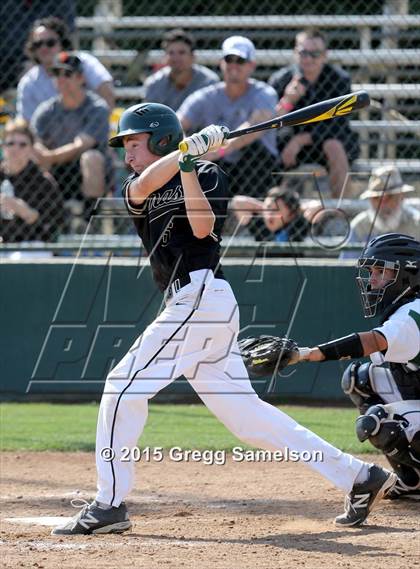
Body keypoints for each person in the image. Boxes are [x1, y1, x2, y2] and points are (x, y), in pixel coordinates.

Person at [51, 102, 396, 536]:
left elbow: (201, 229)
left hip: (202, 299)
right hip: (191, 306)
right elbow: (142, 186)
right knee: (247, 417)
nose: (128, 155)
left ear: (158, 140)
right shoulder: (138, 187)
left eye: (135, 144)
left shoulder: (209, 175)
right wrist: (184, 153)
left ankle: (109, 504)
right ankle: (358, 477)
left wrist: (192, 165)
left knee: (121, 388)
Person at [269, 234, 420, 500]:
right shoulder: (405, 310)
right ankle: (413, 481)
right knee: (360, 379)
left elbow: (372, 342)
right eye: (372, 271)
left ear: (409, 275)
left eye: (381, 271)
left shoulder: (413, 312)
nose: (373, 279)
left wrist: (306, 354)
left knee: (381, 423)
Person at [178, 35, 278, 198]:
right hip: (218, 163)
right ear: (221, 63)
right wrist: (188, 149)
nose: (233, 65)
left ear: (251, 65)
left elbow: (255, 128)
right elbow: (178, 123)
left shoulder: (265, 93)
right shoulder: (207, 95)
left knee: (254, 151)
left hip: (255, 169)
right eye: (229, 59)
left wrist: (218, 150)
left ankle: (252, 215)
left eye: (240, 60)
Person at [268, 28, 359, 198]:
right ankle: (276, 210)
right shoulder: (281, 79)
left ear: (325, 55)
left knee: (334, 146)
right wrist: (288, 100)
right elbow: (269, 122)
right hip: (288, 145)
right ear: (296, 53)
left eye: (315, 54)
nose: (308, 59)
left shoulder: (339, 80)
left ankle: (341, 212)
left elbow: (337, 125)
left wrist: (300, 140)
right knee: (265, 150)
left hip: (327, 140)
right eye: (303, 53)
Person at [31, 52, 114, 217]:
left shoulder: (97, 107)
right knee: (34, 157)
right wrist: (44, 155)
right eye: (56, 74)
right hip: (57, 170)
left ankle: (89, 220)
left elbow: (81, 145)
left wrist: (50, 156)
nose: (61, 79)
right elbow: (34, 141)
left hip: (86, 172)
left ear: (81, 78)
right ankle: (46, 217)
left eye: (68, 74)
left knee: (91, 157)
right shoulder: (46, 111)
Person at [17, 16, 114, 121]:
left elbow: (107, 91)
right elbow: (26, 122)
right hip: (49, 134)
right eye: (38, 44)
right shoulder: (29, 82)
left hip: (89, 127)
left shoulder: (83, 62)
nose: (43, 48)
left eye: (50, 43)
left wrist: (97, 126)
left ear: (62, 43)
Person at [0, 118, 63, 244]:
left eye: (23, 144)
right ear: (3, 146)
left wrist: (28, 213)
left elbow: (53, 226)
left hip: (31, 244)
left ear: (31, 149)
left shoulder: (43, 181)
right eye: (11, 143)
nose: (15, 149)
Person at [341, 165, 420, 258]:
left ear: (401, 196)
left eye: (389, 197)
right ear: (370, 200)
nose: (382, 205)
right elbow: (346, 265)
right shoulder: (359, 227)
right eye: (376, 198)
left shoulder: (417, 224)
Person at [143, 28, 219, 111]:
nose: (176, 58)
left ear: (192, 56)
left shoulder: (209, 82)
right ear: (164, 57)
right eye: (171, 53)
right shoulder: (154, 84)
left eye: (182, 52)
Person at [231, 185, 310, 242]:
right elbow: (237, 201)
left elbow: (318, 207)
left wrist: (297, 209)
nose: (270, 213)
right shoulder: (261, 225)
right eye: (269, 208)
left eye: (276, 209)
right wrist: (265, 208)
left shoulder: (297, 224)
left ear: (291, 214)